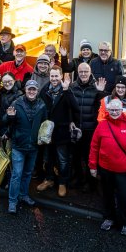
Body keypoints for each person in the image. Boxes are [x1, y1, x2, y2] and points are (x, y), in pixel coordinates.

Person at [90, 98, 126, 236]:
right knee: (107, 195)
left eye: (117, 110)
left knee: (124, 197)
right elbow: (94, 147)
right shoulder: (102, 125)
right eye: (111, 110)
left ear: (122, 110)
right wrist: (92, 166)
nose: (114, 112)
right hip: (105, 169)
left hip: (123, 170)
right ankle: (109, 218)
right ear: (107, 110)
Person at [3, 79, 48, 214]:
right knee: (16, 174)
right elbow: (5, 120)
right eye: (29, 89)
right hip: (18, 145)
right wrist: (10, 117)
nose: (32, 91)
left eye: (34, 89)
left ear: (37, 91)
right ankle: (12, 201)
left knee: (28, 173)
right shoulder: (17, 103)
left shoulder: (42, 105)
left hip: (33, 146)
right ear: (25, 90)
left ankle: (23, 195)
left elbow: (45, 123)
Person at [35, 66, 80, 197]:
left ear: (61, 76)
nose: (54, 79)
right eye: (52, 76)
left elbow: (75, 107)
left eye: (56, 76)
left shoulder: (66, 89)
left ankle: (62, 182)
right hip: (48, 131)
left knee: (62, 159)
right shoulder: (44, 91)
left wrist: (66, 91)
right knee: (48, 158)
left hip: (62, 131)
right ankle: (49, 179)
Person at [69, 62, 105, 192]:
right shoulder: (72, 86)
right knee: (76, 156)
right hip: (76, 128)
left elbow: (102, 107)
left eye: (86, 71)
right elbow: (69, 107)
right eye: (81, 72)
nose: (83, 74)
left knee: (89, 157)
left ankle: (91, 183)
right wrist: (71, 121)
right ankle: (79, 179)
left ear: (90, 72)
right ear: (78, 73)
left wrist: (101, 92)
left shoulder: (96, 87)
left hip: (91, 129)